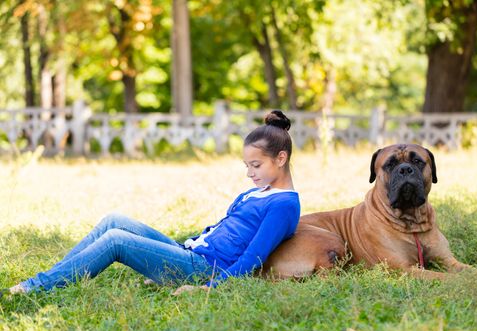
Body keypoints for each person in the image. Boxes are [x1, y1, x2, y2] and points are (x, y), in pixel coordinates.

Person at [3, 110, 300, 296]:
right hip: (188, 252)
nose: (249, 173)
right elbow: (221, 229)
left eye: (256, 165)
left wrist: (206, 289)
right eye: (246, 165)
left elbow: (253, 258)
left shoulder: (283, 205)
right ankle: (57, 276)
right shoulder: (256, 192)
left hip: (203, 269)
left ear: (281, 158)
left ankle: (35, 286)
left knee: (117, 240)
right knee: (114, 220)